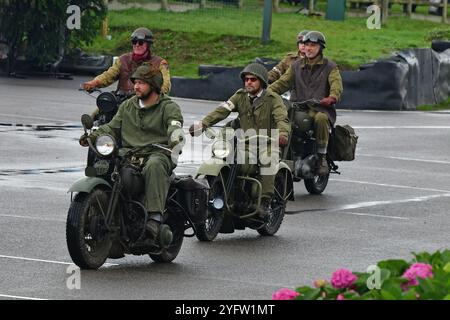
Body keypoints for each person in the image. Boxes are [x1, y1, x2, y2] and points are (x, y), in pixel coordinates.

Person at [80, 64, 184, 243]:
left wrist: (176, 140)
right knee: (107, 165)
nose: (136, 86)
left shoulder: (169, 107)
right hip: (129, 155)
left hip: (157, 153)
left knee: (154, 165)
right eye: (135, 82)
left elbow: (175, 127)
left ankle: (154, 218)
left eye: (142, 83)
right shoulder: (128, 105)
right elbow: (112, 127)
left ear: (154, 85)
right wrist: (94, 135)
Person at [189, 63, 291, 219]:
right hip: (243, 142)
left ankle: (265, 201)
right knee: (222, 155)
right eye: (246, 79)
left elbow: (282, 118)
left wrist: (282, 134)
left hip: (268, 143)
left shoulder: (273, 99)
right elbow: (222, 110)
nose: (248, 82)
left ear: (262, 82)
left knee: (268, 160)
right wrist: (203, 124)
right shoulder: (240, 96)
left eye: (253, 80)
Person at [269, 31, 343, 176]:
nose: (308, 48)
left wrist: (332, 97)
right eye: (306, 45)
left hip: (320, 108)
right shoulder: (296, 66)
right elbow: (282, 83)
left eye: (313, 45)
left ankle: (321, 157)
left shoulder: (330, 67)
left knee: (321, 119)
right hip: (297, 107)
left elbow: (336, 84)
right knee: (279, 119)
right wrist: (263, 93)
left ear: (320, 48)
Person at [82, 27, 171, 95]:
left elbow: (166, 84)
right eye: (134, 42)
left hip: (145, 100)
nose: (137, 45)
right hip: (122, 99)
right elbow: (109, 75)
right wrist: (94, 83)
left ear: (148, 45)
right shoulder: (122, 59)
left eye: (140, 42)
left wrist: (153, 94)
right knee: (100, 111)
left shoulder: (160, 63)